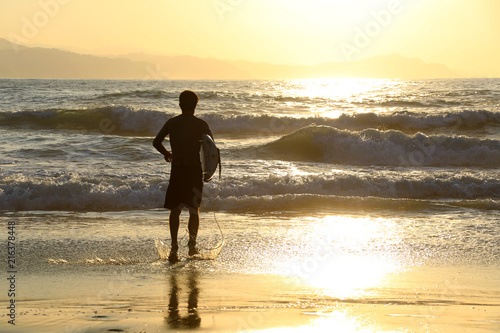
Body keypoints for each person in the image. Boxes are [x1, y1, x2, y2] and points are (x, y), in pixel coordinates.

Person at [153, 90, 213, 262]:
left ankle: (174, 248)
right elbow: (211, 149)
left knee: (175, 209)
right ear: (196, 105)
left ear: (180, 104)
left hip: (177, 170)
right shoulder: (201, 124)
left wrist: (167, 153)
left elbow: (156, 142)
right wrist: (209, 172)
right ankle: (192, 247)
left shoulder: (172, 123)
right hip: (194, 170)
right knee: (194, 210)